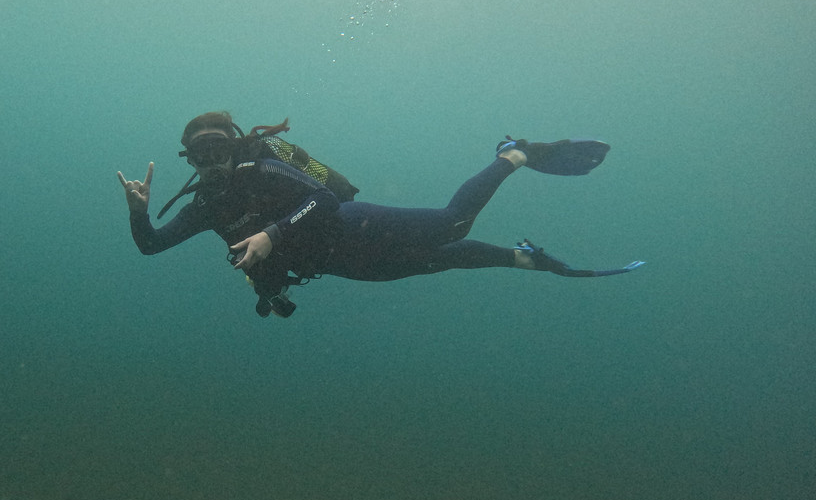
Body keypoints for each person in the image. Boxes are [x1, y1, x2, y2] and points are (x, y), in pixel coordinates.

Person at [117, 112, 644, 318]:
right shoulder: (205, 205)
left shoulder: (261, 170)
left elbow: (325, 201)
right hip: (340, 263)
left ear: (235, 147)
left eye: (217, 148)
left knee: (452, 226)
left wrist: (273, 236)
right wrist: (140, 213)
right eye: (199, 154)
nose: (211, 161)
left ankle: (514, 153)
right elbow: (151, 245)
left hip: (351, 224)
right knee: (438, 261)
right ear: (190, 161)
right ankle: (521, 257)